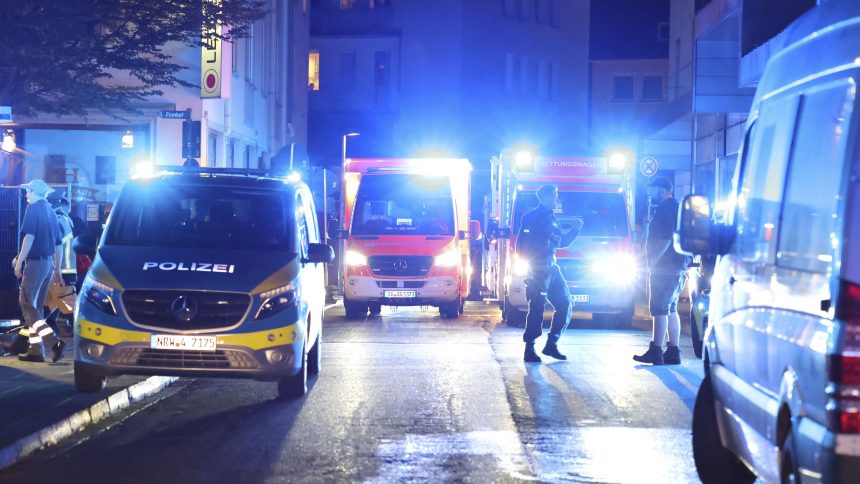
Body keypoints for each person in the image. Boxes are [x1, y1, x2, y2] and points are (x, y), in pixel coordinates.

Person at [516, 184, 584, 363]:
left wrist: (576, 230)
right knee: (536, 308)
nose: (557, 199)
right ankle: (529, 348)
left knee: (565, 304)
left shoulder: (552, 218)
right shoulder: (531, 218)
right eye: (555, 196)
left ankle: (551, 344)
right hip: (537, 269)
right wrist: (529, 269)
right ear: (545, 197)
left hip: (552, 268)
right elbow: (520, 246)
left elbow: (560, 242)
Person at [633, 177, 689, 366]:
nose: (651, 193)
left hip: (665, 267)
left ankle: (656, 351)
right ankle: (673, 351)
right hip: (677, 266)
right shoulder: (677, 208)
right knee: (670, 308)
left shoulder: (666, 210)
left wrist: (653, 262)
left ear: (664, 190)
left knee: (658, 308)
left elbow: (665, 239)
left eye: (654, 189)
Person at [14, 179, 66, 363]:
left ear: (35, 192)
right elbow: (59, 245)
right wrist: (58, 269)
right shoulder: (51, 212)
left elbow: (29, 237)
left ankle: (54, 343)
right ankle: (36, 350)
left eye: (28, 191)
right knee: (36, 310)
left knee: (27, 304)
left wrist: (19, 262)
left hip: (35, 264)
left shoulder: (33, 209)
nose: (26, 194)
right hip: (48, 266)